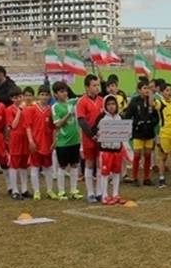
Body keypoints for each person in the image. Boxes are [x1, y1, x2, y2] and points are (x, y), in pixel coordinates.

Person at [76, 74, 105, 203]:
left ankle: (99, 191)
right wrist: (91, 135)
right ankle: (90, 192)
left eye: (98, 85)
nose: (97, 88)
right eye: (94, 85)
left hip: (101, 137)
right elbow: (82, 121)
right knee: (89, 163)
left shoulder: (102, 100)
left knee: (100, 164)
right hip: (89, 138)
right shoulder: (82, 101)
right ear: (87, 87)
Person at [50, 81, 82, 200]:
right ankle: (61, 191)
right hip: (63, 141)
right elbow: (57, 124)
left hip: (75, 140)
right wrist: (69, 115)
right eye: (61, 91)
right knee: (62, 166)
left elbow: (81, 98)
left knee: (74, 165)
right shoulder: (55, 107)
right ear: (56, 94)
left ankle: (74, 190)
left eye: (65, 91)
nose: (64, 93)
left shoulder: (71, 103)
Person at [23, 85, 55, 200]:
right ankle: (36, 191)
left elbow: (54, 127)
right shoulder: (31, 109)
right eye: (42, 94)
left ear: (50, 96)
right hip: (36, 142)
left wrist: (54, 141)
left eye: (46, 95)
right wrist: (31, 140)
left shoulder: (51, 110)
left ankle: (49, 190)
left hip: (48, 142)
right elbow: (28, 126)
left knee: (48, 167)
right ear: (38, 96)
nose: (44, 97)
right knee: (35, 167)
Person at [126, 79, 158, 187]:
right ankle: (134, 177)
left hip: (149, 132)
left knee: (148, 155)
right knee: (137, 155)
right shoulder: (134, 101)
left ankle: (147, 178)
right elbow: (128, 116)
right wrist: (136, 124)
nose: (147, 90)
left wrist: (151, 123)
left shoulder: (152, 101)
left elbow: (156, 117)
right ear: (139, 90)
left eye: (148, 88)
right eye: (144, 88)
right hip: (138, 133)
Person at [96, 95, 127, 205]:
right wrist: (99, 135)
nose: (111, 107)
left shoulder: (120, 118)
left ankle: (115, 194)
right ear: (105, 106)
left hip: (117, 150)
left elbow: (125, 132)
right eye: (108, 104)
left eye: (113, 104)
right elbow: (94, 130)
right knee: (105, 173)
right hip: (106, 150)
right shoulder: (101, 118)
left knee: (116, 172)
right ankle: (104, 195)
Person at [5, 88, 30, 200]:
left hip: (25, 137)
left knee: (24, 164)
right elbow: (13, 125)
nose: (18, 99)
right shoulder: (9, 110)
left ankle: (24, 189)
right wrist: (19, 110)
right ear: (11, 99)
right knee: (14, 163)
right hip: (15, 138)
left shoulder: (27, 108)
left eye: (20, 97)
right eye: (15, 98)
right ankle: (14, 190)